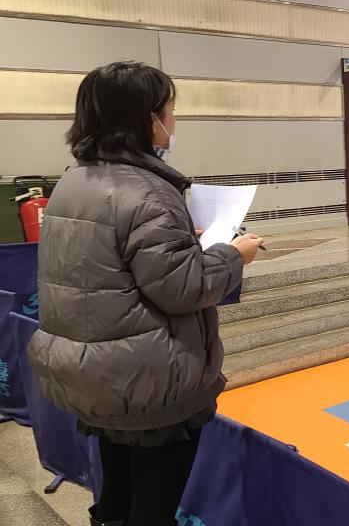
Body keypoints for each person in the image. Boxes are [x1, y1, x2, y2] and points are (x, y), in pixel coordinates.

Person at [26, 61, 264, 526]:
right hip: (149, 381)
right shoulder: (150, 193)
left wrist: (180, 241)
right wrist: (233, 256)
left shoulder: (75, 179)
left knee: (115, 495)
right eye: (169, 109)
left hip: (96, 371)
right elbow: (185, 289)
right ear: (148, 119)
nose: (173, 119)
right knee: (153, 505)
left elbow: (113, 262)